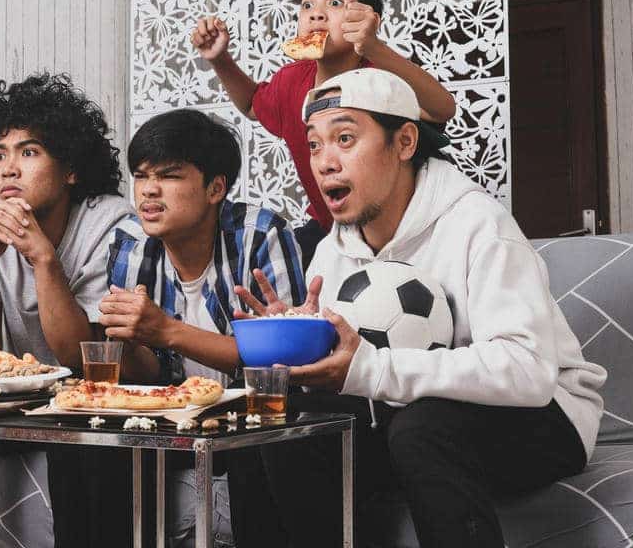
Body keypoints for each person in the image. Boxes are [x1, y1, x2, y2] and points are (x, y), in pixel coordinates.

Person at [229, 68, 607, 547]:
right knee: (270, 429)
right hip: (401, 414)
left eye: (345, 138)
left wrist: (376, 368)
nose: (324, 162)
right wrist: (296, 340)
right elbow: (352, 370)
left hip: (547, 413)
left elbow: (528, 370)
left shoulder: (478, 224)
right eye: (315, 144)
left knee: (423, 429)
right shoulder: (334, 250)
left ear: (405, 142)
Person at [46, 108, 307, 548]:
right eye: (141, 175)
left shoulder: (259, 235)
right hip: (169, 416)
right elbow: (150, 376)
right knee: (82, 440)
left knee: (256, 448)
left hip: (254, 413)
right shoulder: (132, 241)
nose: (148, 190)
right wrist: (125, 339)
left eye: (169, 176)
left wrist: (166, 330)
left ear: (215, 187)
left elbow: (285, 365)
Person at [0, 72, 158, 547]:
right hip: (28, 396)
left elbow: (85, 360)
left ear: (70, 168)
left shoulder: (111, 223)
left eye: (28, 152)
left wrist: (43, 259)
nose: (9, 169)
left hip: (98, 394)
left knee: (76, 416)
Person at [191, 0, 456, 262]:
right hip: (334, 229)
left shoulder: (382, 77)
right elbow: (253, 105)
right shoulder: (292, 81)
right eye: (307, 5)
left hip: (406, 226)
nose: (317, 13)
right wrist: (220, 58)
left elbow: (442, 108)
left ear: (368, 17)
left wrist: (372, 46)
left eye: (335, 3)